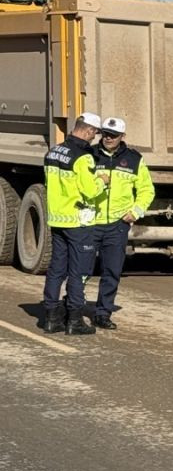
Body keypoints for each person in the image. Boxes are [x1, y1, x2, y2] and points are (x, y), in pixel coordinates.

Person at [39, 113, 107, 335]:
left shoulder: (53, 151)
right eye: (94, 134)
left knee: (56, 269)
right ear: (88, 131)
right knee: (79, 271)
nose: (94, 138)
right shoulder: (83, 157)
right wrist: (102, 182)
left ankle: (50, 318)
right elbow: (89, 190)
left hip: (57, 218)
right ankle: (75, 320)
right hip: (78, 220)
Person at [90, 117, 154, 329]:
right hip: (90, 222)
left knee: (111, 271)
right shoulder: (89, 155)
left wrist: (135, 212)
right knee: (81, 270)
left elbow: (146, 190)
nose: (108, 138)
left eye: (113, 135)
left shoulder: (134, 159)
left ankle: (103, 313)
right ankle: (72, 307)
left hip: (117, 225)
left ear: (122, 137)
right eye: (105, 134)